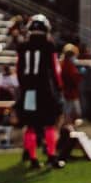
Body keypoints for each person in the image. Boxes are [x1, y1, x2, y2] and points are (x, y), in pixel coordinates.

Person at [15, 14, 65, 169]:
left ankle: (33, 159)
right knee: (50, 124)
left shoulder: (23, 46)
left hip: (29, 90)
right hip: (45, 89)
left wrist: (24, 86)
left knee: (30, 125)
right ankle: (51, 156)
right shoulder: (49, 45)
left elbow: (18, 70)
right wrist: (59, 86)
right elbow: (55, 69)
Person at [60, 44, 83, 123]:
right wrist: (79, 76)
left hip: (69, 92)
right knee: (71, 112)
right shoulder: (67, 65)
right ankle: (68, 125)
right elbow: (72, 78)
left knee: (71, 111)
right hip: (69, 92)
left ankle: (68, 124)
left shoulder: (65, 64)